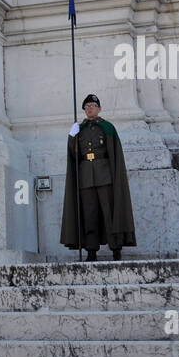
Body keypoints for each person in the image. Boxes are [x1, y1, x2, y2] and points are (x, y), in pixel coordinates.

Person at [60, 94, 136, 261]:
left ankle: (116, 248)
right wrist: (71, 137)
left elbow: (114, 154)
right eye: (86, 107)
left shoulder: (107, 127)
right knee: (89, 215)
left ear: (99, 108)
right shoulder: (80, 129)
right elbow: (74, 154)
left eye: (92, 106)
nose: (89, 109)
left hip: (105, 176)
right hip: (86, 177)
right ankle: (91, 250)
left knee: (109, 214)